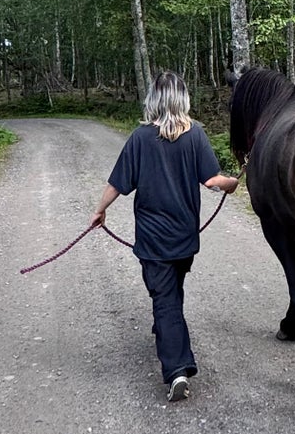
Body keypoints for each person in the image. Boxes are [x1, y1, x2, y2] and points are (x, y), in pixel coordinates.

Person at [89, 71, 238, 402]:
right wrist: (232, 182)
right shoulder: (196, 134)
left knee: (164, 298)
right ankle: (167, 329)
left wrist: (99, 210)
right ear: (182, 99)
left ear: (153, 100)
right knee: (171, 289)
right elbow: (213, 180)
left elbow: (117, 183)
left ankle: (176, 369)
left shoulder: (141, 138)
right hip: (185, 237)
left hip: (153, 239)